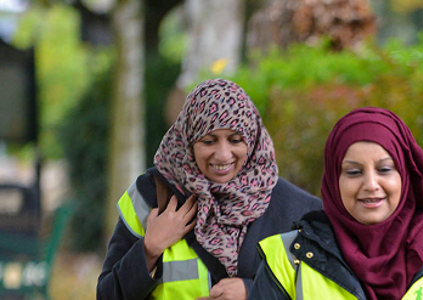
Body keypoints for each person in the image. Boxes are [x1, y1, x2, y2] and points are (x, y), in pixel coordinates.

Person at [97, 79, 322, 300]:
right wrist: (149, 250)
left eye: (235, 140)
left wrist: (255, 292)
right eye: (208, 141)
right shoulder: (150, 196)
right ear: (188, 140)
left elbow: (324, 293)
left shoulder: (297, 210)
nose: (223, 155)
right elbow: (107, 295)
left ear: (252, 141)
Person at [248, 107, 423, 300]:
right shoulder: (287, 260)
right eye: (354, 172)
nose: (371, 184)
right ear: (334, 181)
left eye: (384, 169)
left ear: (406, 176)